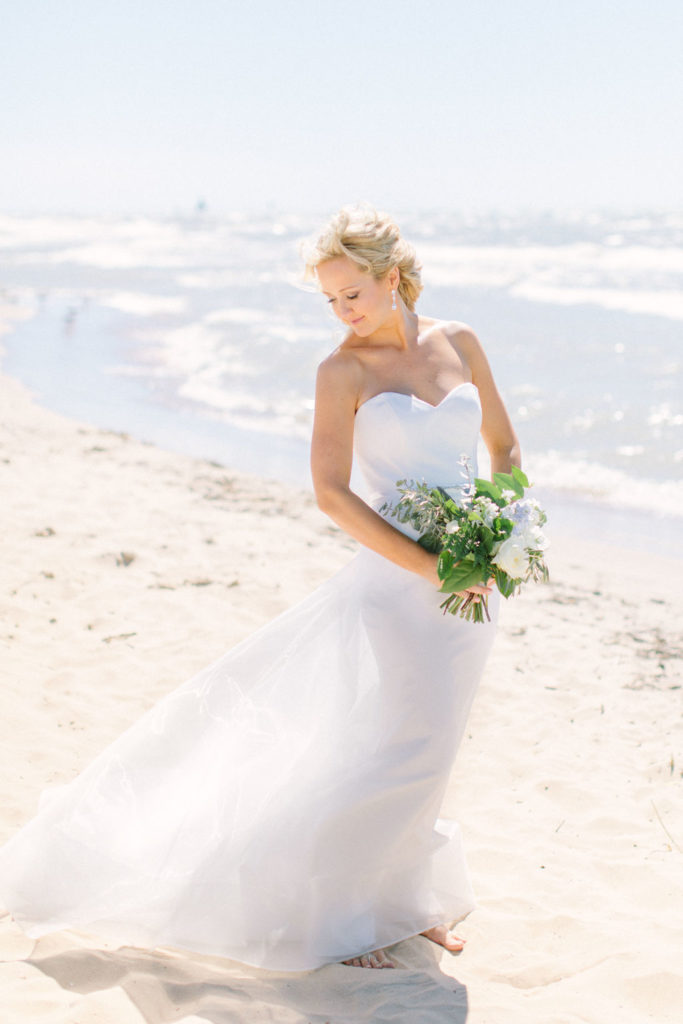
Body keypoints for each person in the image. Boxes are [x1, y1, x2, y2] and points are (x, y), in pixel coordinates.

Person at [0, 204, 520, 972]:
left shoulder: (461, 340)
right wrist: (432, 566)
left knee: (435, 745)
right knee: (395, 745)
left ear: (392, 277)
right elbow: (331, 492)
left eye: (352, 293)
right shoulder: (339, 370)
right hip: (400, 582)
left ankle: (403, 901)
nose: (343, 311)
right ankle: (343, 912)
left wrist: (499, 532)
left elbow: (503, 445)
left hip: (476, 580)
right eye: (330, 300)